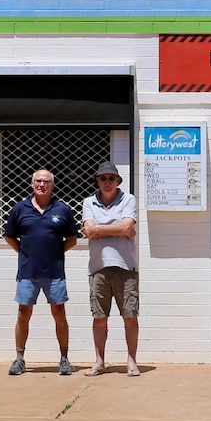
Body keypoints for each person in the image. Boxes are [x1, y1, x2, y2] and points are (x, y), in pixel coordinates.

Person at [3, 169, 79, 376]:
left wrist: (54, 253)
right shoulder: (20, 209)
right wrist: (25, 253)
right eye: (38, 181)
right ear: (32, 183)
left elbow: (72, 239)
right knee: (23, 315)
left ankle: (64, 359)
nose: (42, 184)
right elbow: (9, 236)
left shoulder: (62, 209)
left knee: (59, 315)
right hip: (28, 272)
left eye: (46, 181)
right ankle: (19, 359)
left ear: (52, 185)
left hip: (54, 273)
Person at [81, 161, 140, 377]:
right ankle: (100, 362)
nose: (107, 182)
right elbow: (89, 230)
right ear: (97, 180)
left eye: (111, 178)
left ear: (118, 181)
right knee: (99, 317)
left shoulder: (128, 199)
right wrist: (117, 229)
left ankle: (132, 361)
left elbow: (127, 226)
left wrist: (101, 229)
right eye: (103, 178)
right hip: (98, 267)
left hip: (125, 267)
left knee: (130, 316)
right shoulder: (89, 202)